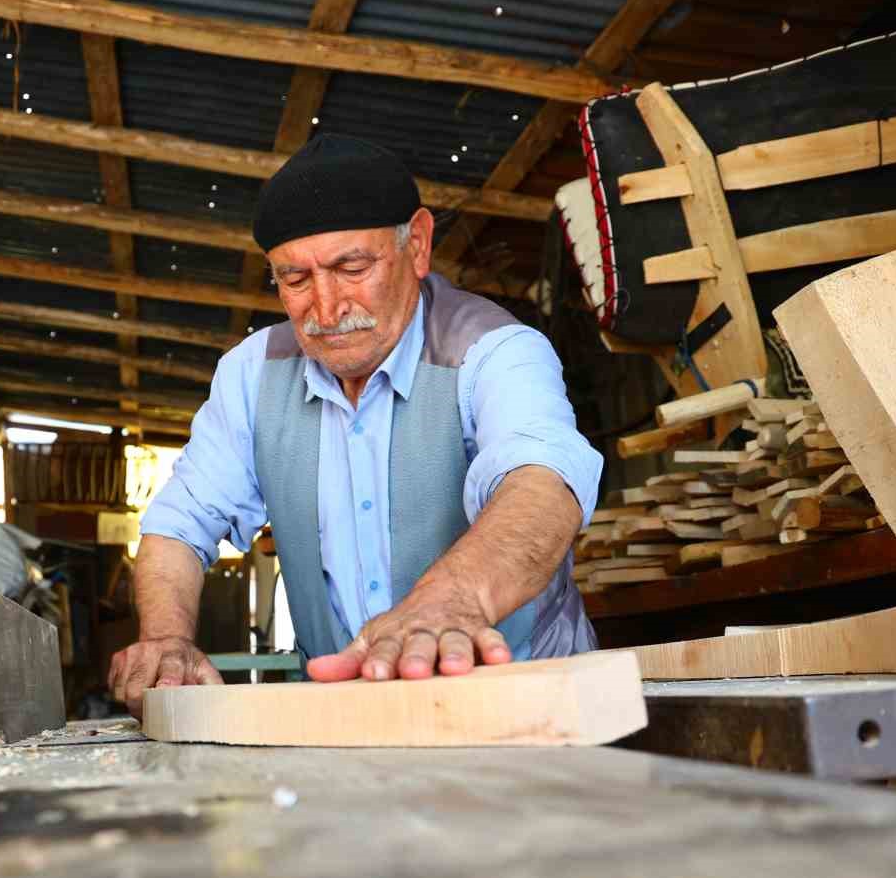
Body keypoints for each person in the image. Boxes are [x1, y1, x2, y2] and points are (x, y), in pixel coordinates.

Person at [109, 134, 602, 712]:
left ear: (417, 245)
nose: (326, 308)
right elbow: (179, 522)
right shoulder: (251, 375)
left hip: (529, 704)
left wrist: (451, 600)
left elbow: (543, 488)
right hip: (351, 715)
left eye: (351, 267)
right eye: (295, 280)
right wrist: (166, 639)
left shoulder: (495, 351)